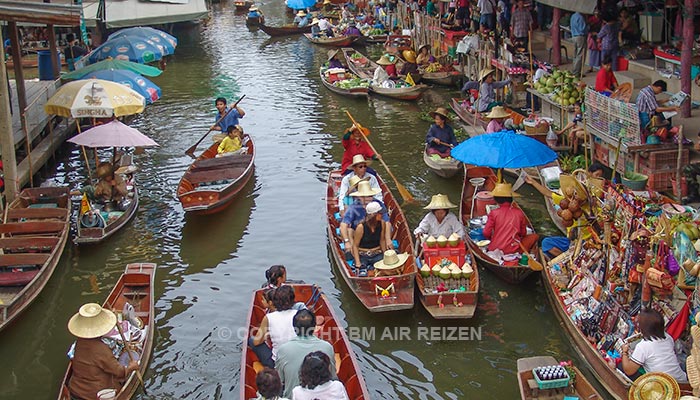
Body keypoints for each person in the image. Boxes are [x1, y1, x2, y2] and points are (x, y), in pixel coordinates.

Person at [67, 303, 139, 400]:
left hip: (74, 389)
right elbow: (120, 372)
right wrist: (131, 367)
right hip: (94, 395)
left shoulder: (80, 341)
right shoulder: (100, 348)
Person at [276, 310, 336, 398]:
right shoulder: (327, 347)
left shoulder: (283, 349)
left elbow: (279, 379)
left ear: (294, 328)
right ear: (314, 327)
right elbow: (333, 376)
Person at [621, 309, 688, 383]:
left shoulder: (643, 346)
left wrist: (624, 352)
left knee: (621, 367)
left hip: (665, 384)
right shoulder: (668, 338)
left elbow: (628, 370)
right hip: (682, 380)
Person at [249, 285, 298, 368]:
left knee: (252, 340)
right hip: (298, 359)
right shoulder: (299, 314)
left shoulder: (269, 317)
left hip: (276, 363)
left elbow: (256, 342)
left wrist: (266, 336)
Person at [482, 183, 538, 254]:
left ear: (496, 200)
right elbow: (523, 233)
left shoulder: (494, 213)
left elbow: (486, 233)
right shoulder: (519, 213)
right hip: (514, 248)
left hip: (495, 248)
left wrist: (492, 238)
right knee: (535, 236)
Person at [340, 181, 391, 255]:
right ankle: (354, 251)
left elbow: (386, 222)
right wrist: (347, 241)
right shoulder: (353, 207)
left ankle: (383, 249)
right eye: (364, 196)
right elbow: (343, 225)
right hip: (359, 236)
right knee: (349, 231)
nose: (367, 198)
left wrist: (388, 239)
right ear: (359, 197)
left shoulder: (379, 205)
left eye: (369, 196)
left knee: (388, 226)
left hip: (376, 233)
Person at [352, 201, 388, 276]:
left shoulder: (382, 224)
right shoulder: (361, 227)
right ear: (373, 215)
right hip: (363, 255)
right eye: (379, 213)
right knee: (361, 273)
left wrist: (385, 255)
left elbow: (382, 240)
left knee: (385, 271)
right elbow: (355, 246)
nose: (381, 215)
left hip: (377, 254)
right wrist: (358, 262)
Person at [570, 11, 588, 77]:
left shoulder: (573, 16)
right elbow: (582, 29)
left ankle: (575, 70)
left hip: (574, 36)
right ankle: (576, 72)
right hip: (580, 36)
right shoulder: (580, 17)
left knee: (575, 55)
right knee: (580, 55)